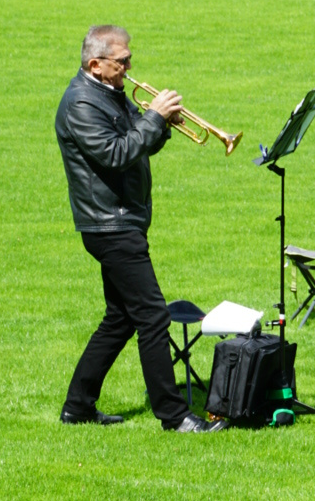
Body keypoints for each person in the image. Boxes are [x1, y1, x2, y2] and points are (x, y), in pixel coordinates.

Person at [56, 25, 227, 431]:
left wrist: (162, 123)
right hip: (109, 225)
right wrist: (153, 117)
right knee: (152, 316)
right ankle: (174, 416)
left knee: (120, 317)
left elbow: (141, 142)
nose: (130, 68)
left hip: (122, 218)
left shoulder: (109, 93)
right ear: (96, 65)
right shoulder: (81, 103)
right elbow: (117, 154)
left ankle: (77, 407)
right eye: (123, 61)